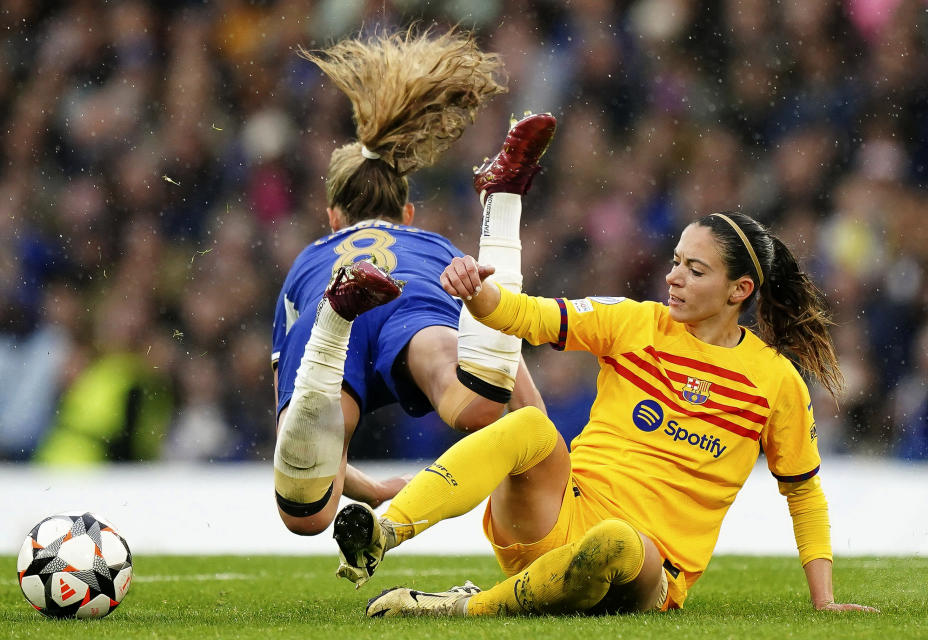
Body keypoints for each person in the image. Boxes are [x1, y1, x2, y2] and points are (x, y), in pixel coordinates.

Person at [332, 206, 879, 616]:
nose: (674, 277)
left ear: (740, 289)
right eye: (675, 262)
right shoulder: (635, 322)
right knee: (528, 425)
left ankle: (457, 608)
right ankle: (382, 534)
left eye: (695, 269)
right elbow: (527, 316)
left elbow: (803, 492)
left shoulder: (776, 382)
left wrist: (824, 600)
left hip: (646, 567)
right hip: (560, 513)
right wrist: (474, 293)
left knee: (616, 541)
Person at [271, 27, 556, 536]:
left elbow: (290, 434)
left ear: (333, 218)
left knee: (307, 511)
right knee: (476, 405)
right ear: (406, 211)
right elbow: (517, 390)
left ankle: (337, 318)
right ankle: (503, 205)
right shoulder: (432, 245)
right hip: (414, 297)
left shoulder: (306, 262)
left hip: (329, 296)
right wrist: (547, 448)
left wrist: (372, 491)